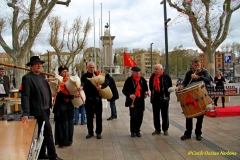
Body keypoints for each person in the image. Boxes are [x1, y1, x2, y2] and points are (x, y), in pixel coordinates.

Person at [21, 56, 62, 160]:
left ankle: (41, 154)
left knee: (42, 131)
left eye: (40, 64)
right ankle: (53, 155)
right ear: (31, 66)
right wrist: (25, 113)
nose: (39, 65)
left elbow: (46, 90)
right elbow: (25, 96)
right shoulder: (27, 78)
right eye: (36, 64)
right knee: (48, 131)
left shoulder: (42, 77)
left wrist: (55, 90)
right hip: (38, 109)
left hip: (46, 108)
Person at [178, 57, 211, 141]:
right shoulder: (189, 72)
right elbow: (185, 82)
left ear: (200, 64)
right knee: (189, 115)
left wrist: (198, 78)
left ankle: (198, 134)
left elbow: (208, 80)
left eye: (198, 65)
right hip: (190, 97)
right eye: (195, 65)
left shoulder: (204, 72)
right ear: (192, 65)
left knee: (200, 117)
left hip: (201, 97)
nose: (197, 67)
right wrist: (182, 85)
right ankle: (188, 133)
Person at [53, 66, 81, 148]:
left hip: (69, 106)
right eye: (63, 72)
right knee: (62, 125)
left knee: (69, 124)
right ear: (60, 73)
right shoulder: (58, 81)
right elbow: (61, 94)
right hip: (61, 106)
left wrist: (79, 88)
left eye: (66, 71)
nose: (65, 73)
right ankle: (61, 142)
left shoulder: (70, 81)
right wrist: (72, 96)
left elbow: (77, 86)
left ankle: (69, 140)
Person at [122, 66, 149, 138]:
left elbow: (146, 88)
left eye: (139, 72)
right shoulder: (129, 80)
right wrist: (129, 95)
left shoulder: (142, 80)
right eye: (136, 72)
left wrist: (146, 92)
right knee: (133, 117)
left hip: (140, 101)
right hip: (132, 101)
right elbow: (124, 90)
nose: (138, 73)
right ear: (133, 72)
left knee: (140, 116)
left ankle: (137, 130)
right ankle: (132, 131)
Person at [81, 62, 103, 139]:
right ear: (87, 67)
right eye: (90, 67)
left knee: (99, 117)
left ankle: (98, 132)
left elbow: (106, 82)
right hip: (89, 99)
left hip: (97, 99)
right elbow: (82, 84)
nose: (92, 69)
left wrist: (101, 86)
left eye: (93, 67)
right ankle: (90, 132)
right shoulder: (84, 76)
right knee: (89, 117)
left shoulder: (98, 75)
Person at [149, 64, 172, 136]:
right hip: (155, 98)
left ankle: (165, 129)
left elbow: (170, 87)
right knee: (156, 115)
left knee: (165, 114)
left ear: (161, 70)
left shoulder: (166, 77)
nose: (155, 70)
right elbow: (150, 86)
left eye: (157, 69)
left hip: (164, 98)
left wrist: (166, 94)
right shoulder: (152, 76)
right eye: (154, 69)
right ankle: (157, 129)